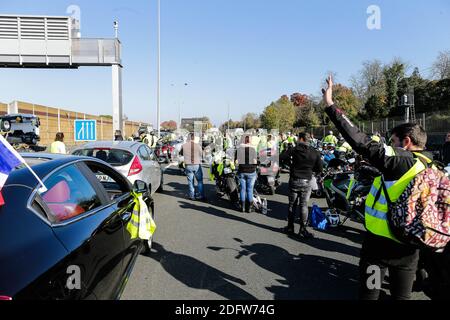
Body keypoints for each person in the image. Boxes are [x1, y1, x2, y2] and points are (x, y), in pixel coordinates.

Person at [322, 75, 433, 300]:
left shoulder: (401, 160)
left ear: (407, 142)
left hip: (378, 250)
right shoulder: (431, 164)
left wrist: (331, 106)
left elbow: (361, 141)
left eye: (392, 141)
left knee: (371, 294)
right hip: (410, 250)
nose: (390, 145)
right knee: (401, 298)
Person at [280, 132, 323, 239]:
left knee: (292, 204)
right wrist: (311, 170)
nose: (297, 140)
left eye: (299, 138)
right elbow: (320, 169)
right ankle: (302, 230)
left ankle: (290, 227)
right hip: (307, 181)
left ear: (302, 139)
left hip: (294, 180)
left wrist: (289, 164)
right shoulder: (315, 152)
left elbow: (281, 157)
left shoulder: (294, 150)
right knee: (303, 205)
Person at [180, 133, 206, 201]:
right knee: (199, 181)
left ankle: (192, 196)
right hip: (197, 165)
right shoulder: (198, 146)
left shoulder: (184, 145)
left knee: (190, 181)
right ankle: (201, 195)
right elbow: (202, 154)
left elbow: (181, 153)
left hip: (188, 165)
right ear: (194, 138)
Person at [235, 135, 258, 213]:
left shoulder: (239, 149)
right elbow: (255, 161)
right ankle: (249, 208)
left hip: (242, 171)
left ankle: (242, 207)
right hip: (251, 171)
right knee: (250, 189)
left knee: (242, 189)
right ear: (250, 141)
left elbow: (236, 161)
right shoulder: (253, 149)